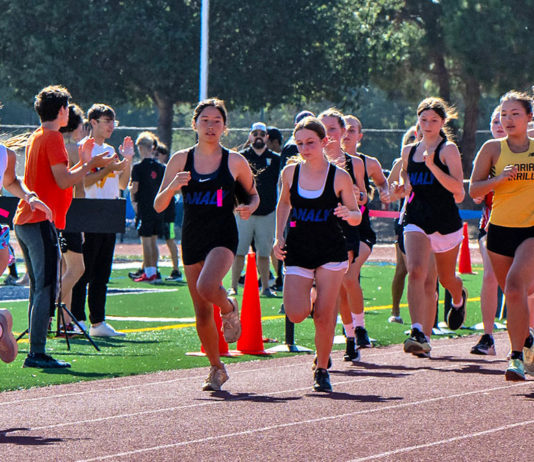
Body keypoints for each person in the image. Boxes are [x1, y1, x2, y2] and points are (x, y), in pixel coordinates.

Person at [154, 98, 259, 391]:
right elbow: (158, 205)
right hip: (192, 237)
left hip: (223, 236)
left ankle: (228, 307)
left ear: (224, 127)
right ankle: (216, 368)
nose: (211, 126)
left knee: (206, 286)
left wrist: (249, 207)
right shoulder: (180, 159)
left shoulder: (234, 161)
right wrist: (174, 186)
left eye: (216, 121)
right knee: (201, 312)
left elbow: (253, 195)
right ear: (195, 125)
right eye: (205, 121)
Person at [14, 85, 113, 368]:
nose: (69, 112)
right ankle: (37, 351)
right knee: (46, 286)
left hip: (28, 219)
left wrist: (84, 163)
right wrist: (88, 164)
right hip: (39, 220)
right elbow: (63, 180)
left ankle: (36, 348)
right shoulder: (54, 137)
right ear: (61, 111)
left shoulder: (38, 135)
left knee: (40, 287)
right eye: (67, 108)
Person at [273, 116, 361, 392]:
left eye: (310, 142)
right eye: (299, 143)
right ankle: (311, 295)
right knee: (297, 313)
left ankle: (321, 368)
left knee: (324, 316)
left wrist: (349, 213)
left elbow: (356, 215)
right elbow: (284, 205)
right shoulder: (290, 173)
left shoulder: (340, 176)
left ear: (324, 142)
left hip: (330, 250)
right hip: (298, 248)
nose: (304, 148)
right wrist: (278, 237)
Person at [469, 91, 534, 380]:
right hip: (499, 230)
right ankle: (527, 338)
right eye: (503, 114)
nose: (508, 119)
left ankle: (516, 357)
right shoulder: (492, 149)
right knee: (514, 292)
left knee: (515, 285)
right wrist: (499, 179)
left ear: (529, 118)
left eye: (515, 114)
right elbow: (474, 191)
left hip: (531, 231)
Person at [396, 97, 466, 357]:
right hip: (416, 218)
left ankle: (459, 298)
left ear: (443, 122)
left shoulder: (448, 150)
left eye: (433, 120)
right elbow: (406, 176)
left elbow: (458, 190)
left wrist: (433, 166)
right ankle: (417, 331)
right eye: (423, 119)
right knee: (416, 271)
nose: (427, 124)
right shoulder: (409, 151)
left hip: (445, 221)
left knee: (446, 279)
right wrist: (401, 187)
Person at [71, 103, 134, 337]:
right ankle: (76, 319)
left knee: (102, 273)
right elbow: (83, 182)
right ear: (93, 122)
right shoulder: (80, 148)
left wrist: (127, 160)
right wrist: (107, 168)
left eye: (112, 121)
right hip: (87, 213)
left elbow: (122, 183)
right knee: (82, 271)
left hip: (108, 213)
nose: (111, 125)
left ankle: (98, 322)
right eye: (106, 121)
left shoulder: (109, 150)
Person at [318, 109, 366, 362]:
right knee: (325, 292)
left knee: (341, 284)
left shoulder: (353, 163)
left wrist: (348, 188)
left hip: (344, 230)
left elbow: (362, 198)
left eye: (333, 129)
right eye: (322, 129)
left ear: (342, 132)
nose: (328, 135)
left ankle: (352, 335)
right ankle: (345, 335)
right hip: (313, 230)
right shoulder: (303, 163)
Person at [341, 114, 390, 348]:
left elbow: (381, 182)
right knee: (342, 281)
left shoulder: (365, 163)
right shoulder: (321, 164)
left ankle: (358, 328)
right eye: (344, 129)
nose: (346, 134)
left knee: (349, 276)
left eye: (352, 130)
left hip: (361, 231)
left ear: (360, 135)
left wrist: (384, 191)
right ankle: (349, 329)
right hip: (335, 232)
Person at [470, 106, 506, 355]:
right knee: (490, 276)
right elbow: (475, 193)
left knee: (525, 285)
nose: (501, 123)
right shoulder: (488, 152)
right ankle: (488, 336)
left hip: (526, 224)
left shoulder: (527, 149)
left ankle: (527, 338)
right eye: (496, 120)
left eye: (508, 117)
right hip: (491, 224)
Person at [230, 122, 281, 297]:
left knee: (265, 253)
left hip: (267, 213)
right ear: (250, 136)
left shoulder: (276, 159)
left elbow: (282, 184)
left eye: (262, 133)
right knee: (239, 252)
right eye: (255, 132)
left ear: (267, 137)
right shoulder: (240, 157)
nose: (258, 135)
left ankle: (266, 287)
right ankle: (233, 287)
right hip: (244, 212)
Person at [57, 103, 88, 333]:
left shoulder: (54, 144)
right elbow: (79, 188)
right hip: (69, 214)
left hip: (57, 211)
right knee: (76, 268)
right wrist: (82, 221)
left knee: (65, 267)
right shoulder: (74, 149)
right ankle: (49, 308)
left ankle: (63, 322)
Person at [387, 125, 419, 324]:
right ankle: (396, 311)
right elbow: (389, 191)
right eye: (410, 141)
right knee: (403, 268)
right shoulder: (401, 163)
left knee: (427, 271)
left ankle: (428, 319)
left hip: (430, 219)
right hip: (405, 219)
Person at [129, 131, 165, 283]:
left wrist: (130, 191)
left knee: (146, 242)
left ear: (142, 148)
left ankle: (149, 272)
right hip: (158, 208)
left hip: (144, 208)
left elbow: (135, 188)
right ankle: (154, 271)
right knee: (154, 241)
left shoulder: (138, 168)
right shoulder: (161, 167)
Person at [155, 142, 183, 282]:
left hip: (168, 213)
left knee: (170, 239)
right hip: (156, 210)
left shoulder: (168, 170)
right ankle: (148, 268)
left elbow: (177, 190)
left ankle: (176, 270)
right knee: (150, 239)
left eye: (157, 154)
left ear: (164, 155)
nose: (155, 156)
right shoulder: (152, 169)